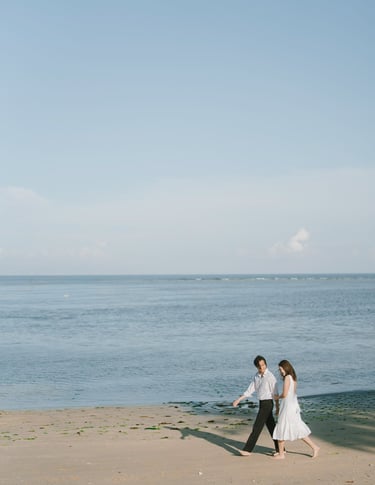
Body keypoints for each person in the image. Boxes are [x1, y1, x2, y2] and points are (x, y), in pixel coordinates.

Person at [272, 359, 320, 459]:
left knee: (282, 427)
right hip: (292, 406)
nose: (280, 371)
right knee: (296, 428)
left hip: (288, 407)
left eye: (281, 369)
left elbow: (285, 394)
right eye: (279, 369)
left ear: (286, 368)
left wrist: (276, 398)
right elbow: (292, 394)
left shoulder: (287, 378)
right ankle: (314, 447)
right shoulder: (293, 378)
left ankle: (281, 454)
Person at [232, 355, 280, 456]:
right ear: (256, 367)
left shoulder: (270, 377)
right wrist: (238, 400)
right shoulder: (257, 376)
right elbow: (250, 390)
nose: (262, 367)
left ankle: (247, 450)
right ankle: (280, 449)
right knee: (271, 427)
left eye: (263, 365)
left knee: (257, 427)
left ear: (266, 364)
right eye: (259, 366)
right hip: (262, 403)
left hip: (268, 403)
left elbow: (275, 393)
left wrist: (277, 407)